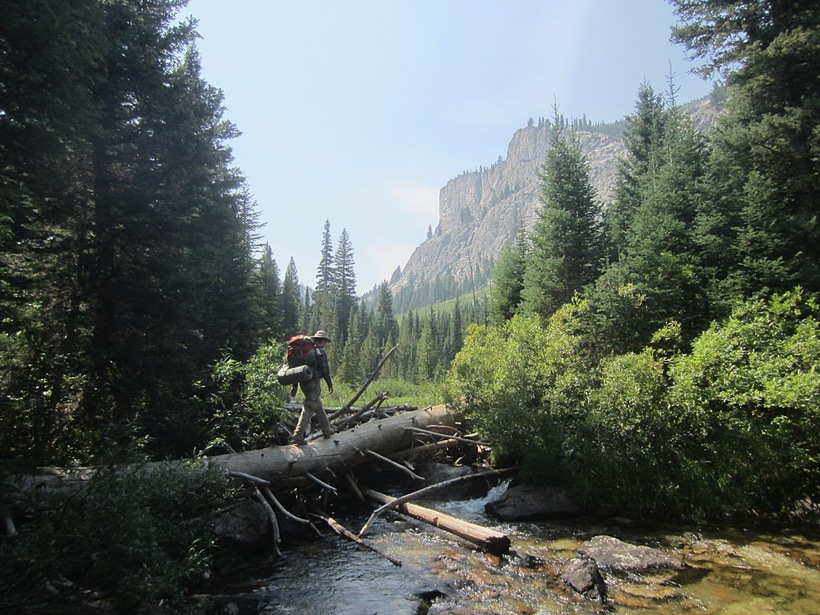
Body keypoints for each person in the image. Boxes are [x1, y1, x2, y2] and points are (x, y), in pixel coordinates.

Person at [290, 330, 334, 444]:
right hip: (313, 382)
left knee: (317, 404)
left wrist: (294, 386)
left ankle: (327, 430)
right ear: (323, 341)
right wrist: (330, 384)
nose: (325, 344)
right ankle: (298, 436)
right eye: (325, 341)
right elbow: (325, 371)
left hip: (303, 382)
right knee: (309, 407)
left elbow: (296, 369)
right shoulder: (320, 352)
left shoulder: (305, 352)